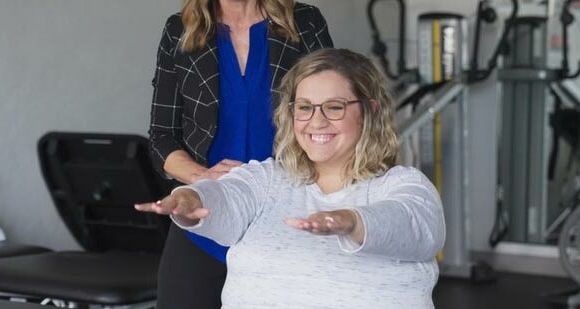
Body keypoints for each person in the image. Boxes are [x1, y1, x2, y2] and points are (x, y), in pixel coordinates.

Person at [138, 48, 446, 309]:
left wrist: (352, 221)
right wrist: (193, 199)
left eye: (335, 107)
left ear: (369, 111)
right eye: (305, 108)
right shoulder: (268, 179)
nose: (317, 121)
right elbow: (229, 197)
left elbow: (412, 223)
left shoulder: (404, 186)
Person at [149, 0, 333, 309]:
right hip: (204, 219)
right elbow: (161, 136)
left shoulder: (305, 24)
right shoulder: (180, 31)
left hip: (286, 219)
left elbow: (333, 123)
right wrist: (202, 176)